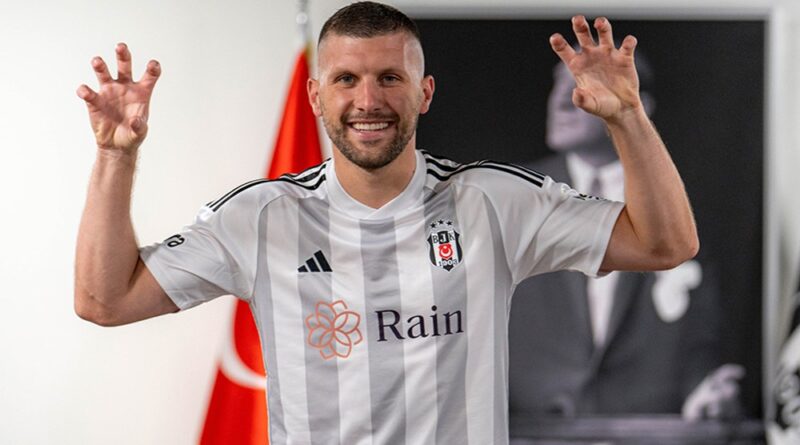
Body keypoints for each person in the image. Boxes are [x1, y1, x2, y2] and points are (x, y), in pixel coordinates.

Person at [74, 2, 698, 444]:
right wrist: (114, 155)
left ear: (424, 92)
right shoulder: (260, 217)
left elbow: (665, 243)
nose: (368, 100)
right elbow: (105, 300)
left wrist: (627, 118)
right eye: (346, 79)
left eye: (389, 78)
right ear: (317, 96)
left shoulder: (493, 201)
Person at [507, 52, 744, 440]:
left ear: (638, 106)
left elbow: (698, 330)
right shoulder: (512, 197)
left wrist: (703, 389)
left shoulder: (680, 202)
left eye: (583, 83)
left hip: (647, 433)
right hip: (529, 432)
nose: (561, 99)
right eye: (558, 84)